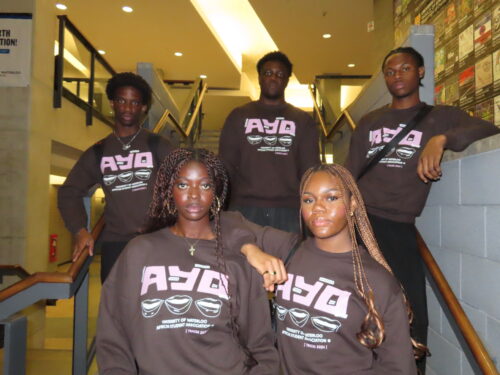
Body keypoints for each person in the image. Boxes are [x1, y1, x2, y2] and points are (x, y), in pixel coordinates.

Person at [344, 46, 500, 371]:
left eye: (404, 69)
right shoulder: (370, 121)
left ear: (420, 72)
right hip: (359, 223)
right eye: (390, 71)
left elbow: (488, 128)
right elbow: (349, 172)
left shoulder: (439, 117)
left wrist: (441, 139)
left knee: (412, 312)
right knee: (353, 308)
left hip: (398, 227)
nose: (396, 75)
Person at [96, 148, 278, 374]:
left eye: (205, 185)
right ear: (169, 190)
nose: (194, 194)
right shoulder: (140, 251)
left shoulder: (239, 259)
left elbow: (261, 346)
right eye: (183, 185)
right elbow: (113, 332)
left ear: (216, 192)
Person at [239, 164, 422, 374]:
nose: (318, 207)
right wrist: (251, 249)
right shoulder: (289, 248)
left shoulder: (376, 280)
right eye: (309, 200)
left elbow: (398, 367)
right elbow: (226, 221)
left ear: (352, 204)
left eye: (331, 197)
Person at [58, 72, 173, 282]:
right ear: (112, 103)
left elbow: (184, 184)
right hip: (116, 244)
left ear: (143, 107)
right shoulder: (98, 152)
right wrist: (80, 230)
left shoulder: (158, 145)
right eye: (122, 100)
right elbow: (69, 192)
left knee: (154, 308)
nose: (128, 108)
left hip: (157, 241)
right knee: (115, 309)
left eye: (135, 102)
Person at [219, 51, 320, 233]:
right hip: (243, 209)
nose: (273, 78)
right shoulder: (239, 116)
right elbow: (226, 165)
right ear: (259, 77)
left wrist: (310, 208)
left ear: (287, 80)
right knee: (241, 261)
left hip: (289, 211)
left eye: (280, 74)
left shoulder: (303, 121)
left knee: (287, 262)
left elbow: (310, 170)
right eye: (268, 73)